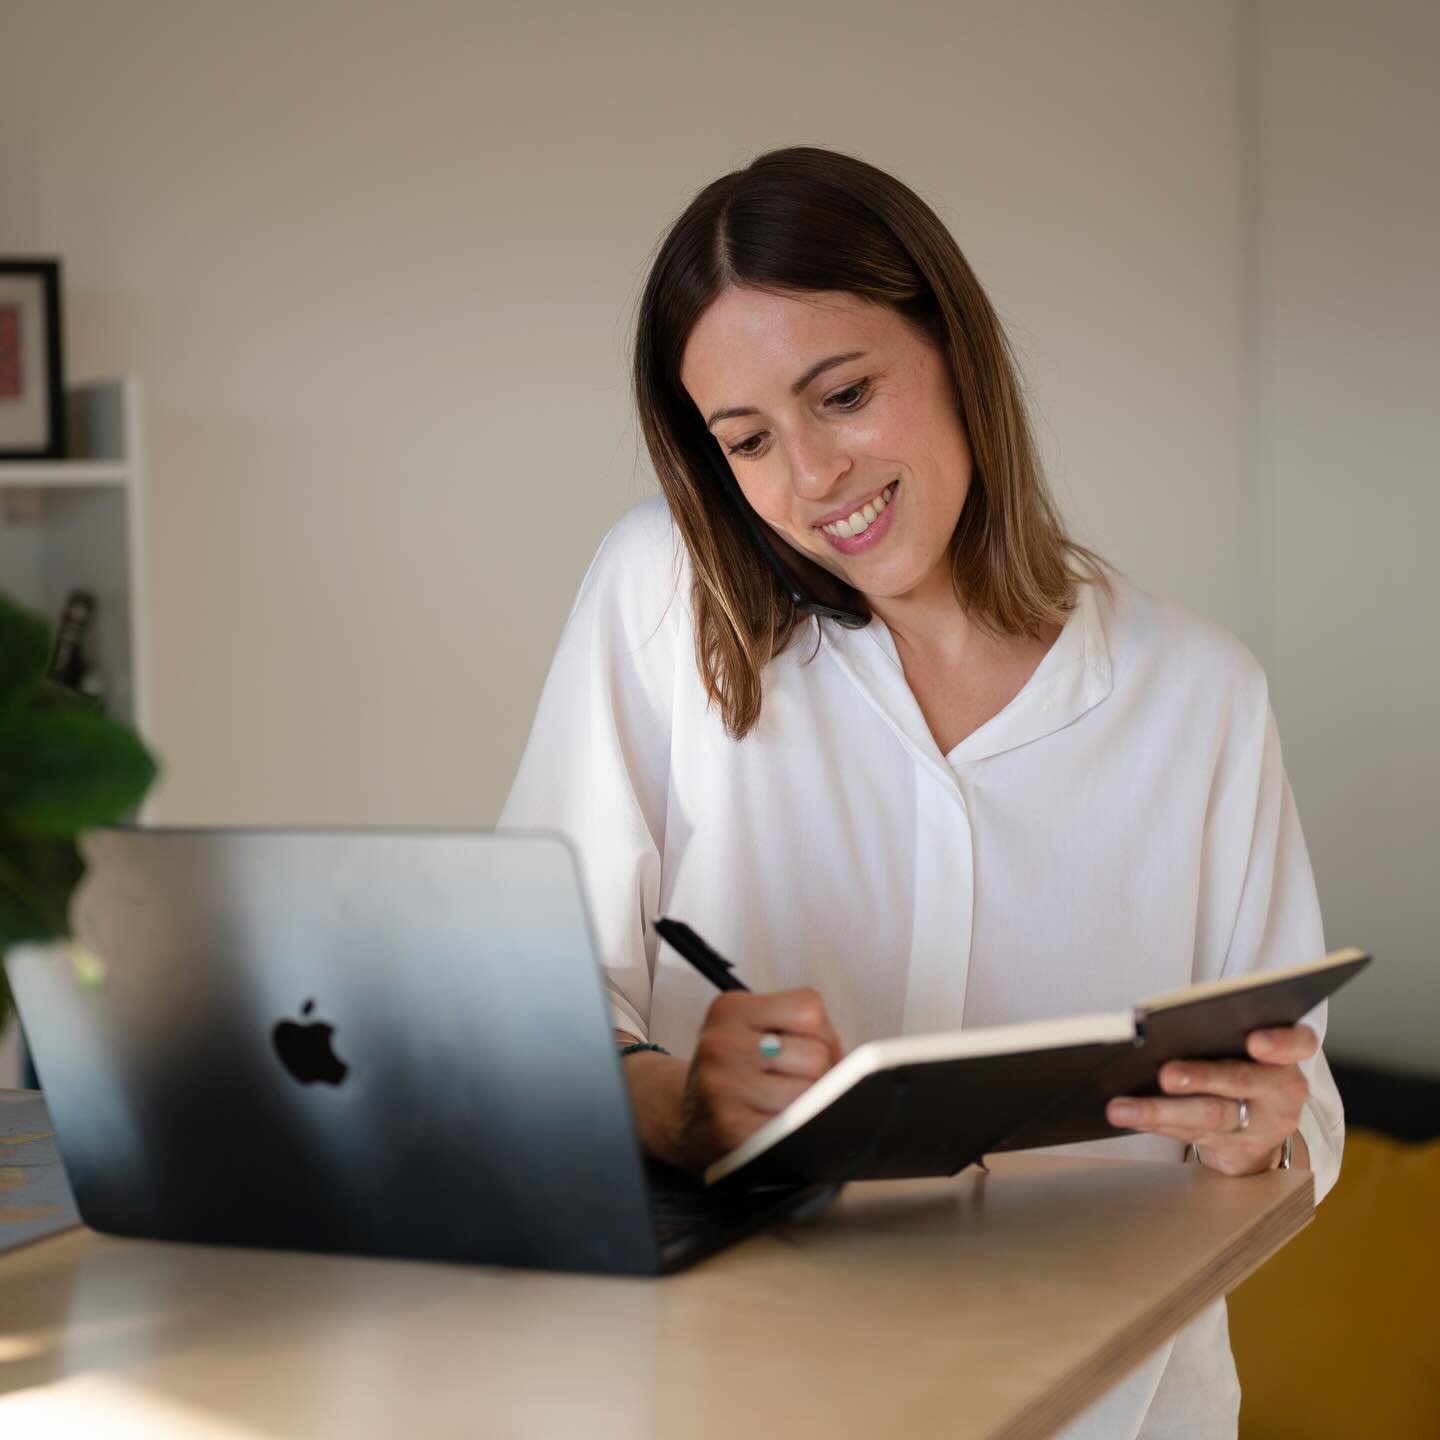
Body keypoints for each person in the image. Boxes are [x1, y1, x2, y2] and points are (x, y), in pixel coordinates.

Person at [499, 145, 1342, 1438]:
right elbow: (520, 1005)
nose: (813, 476)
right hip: (737, 1397)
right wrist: (681, 1103)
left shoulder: (1199, 695)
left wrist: (1264, 1128)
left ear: (951, 346)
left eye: (842, 395)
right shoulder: (664, 596)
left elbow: (1299, 1103)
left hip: (1112, 1408)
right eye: (749, 441)